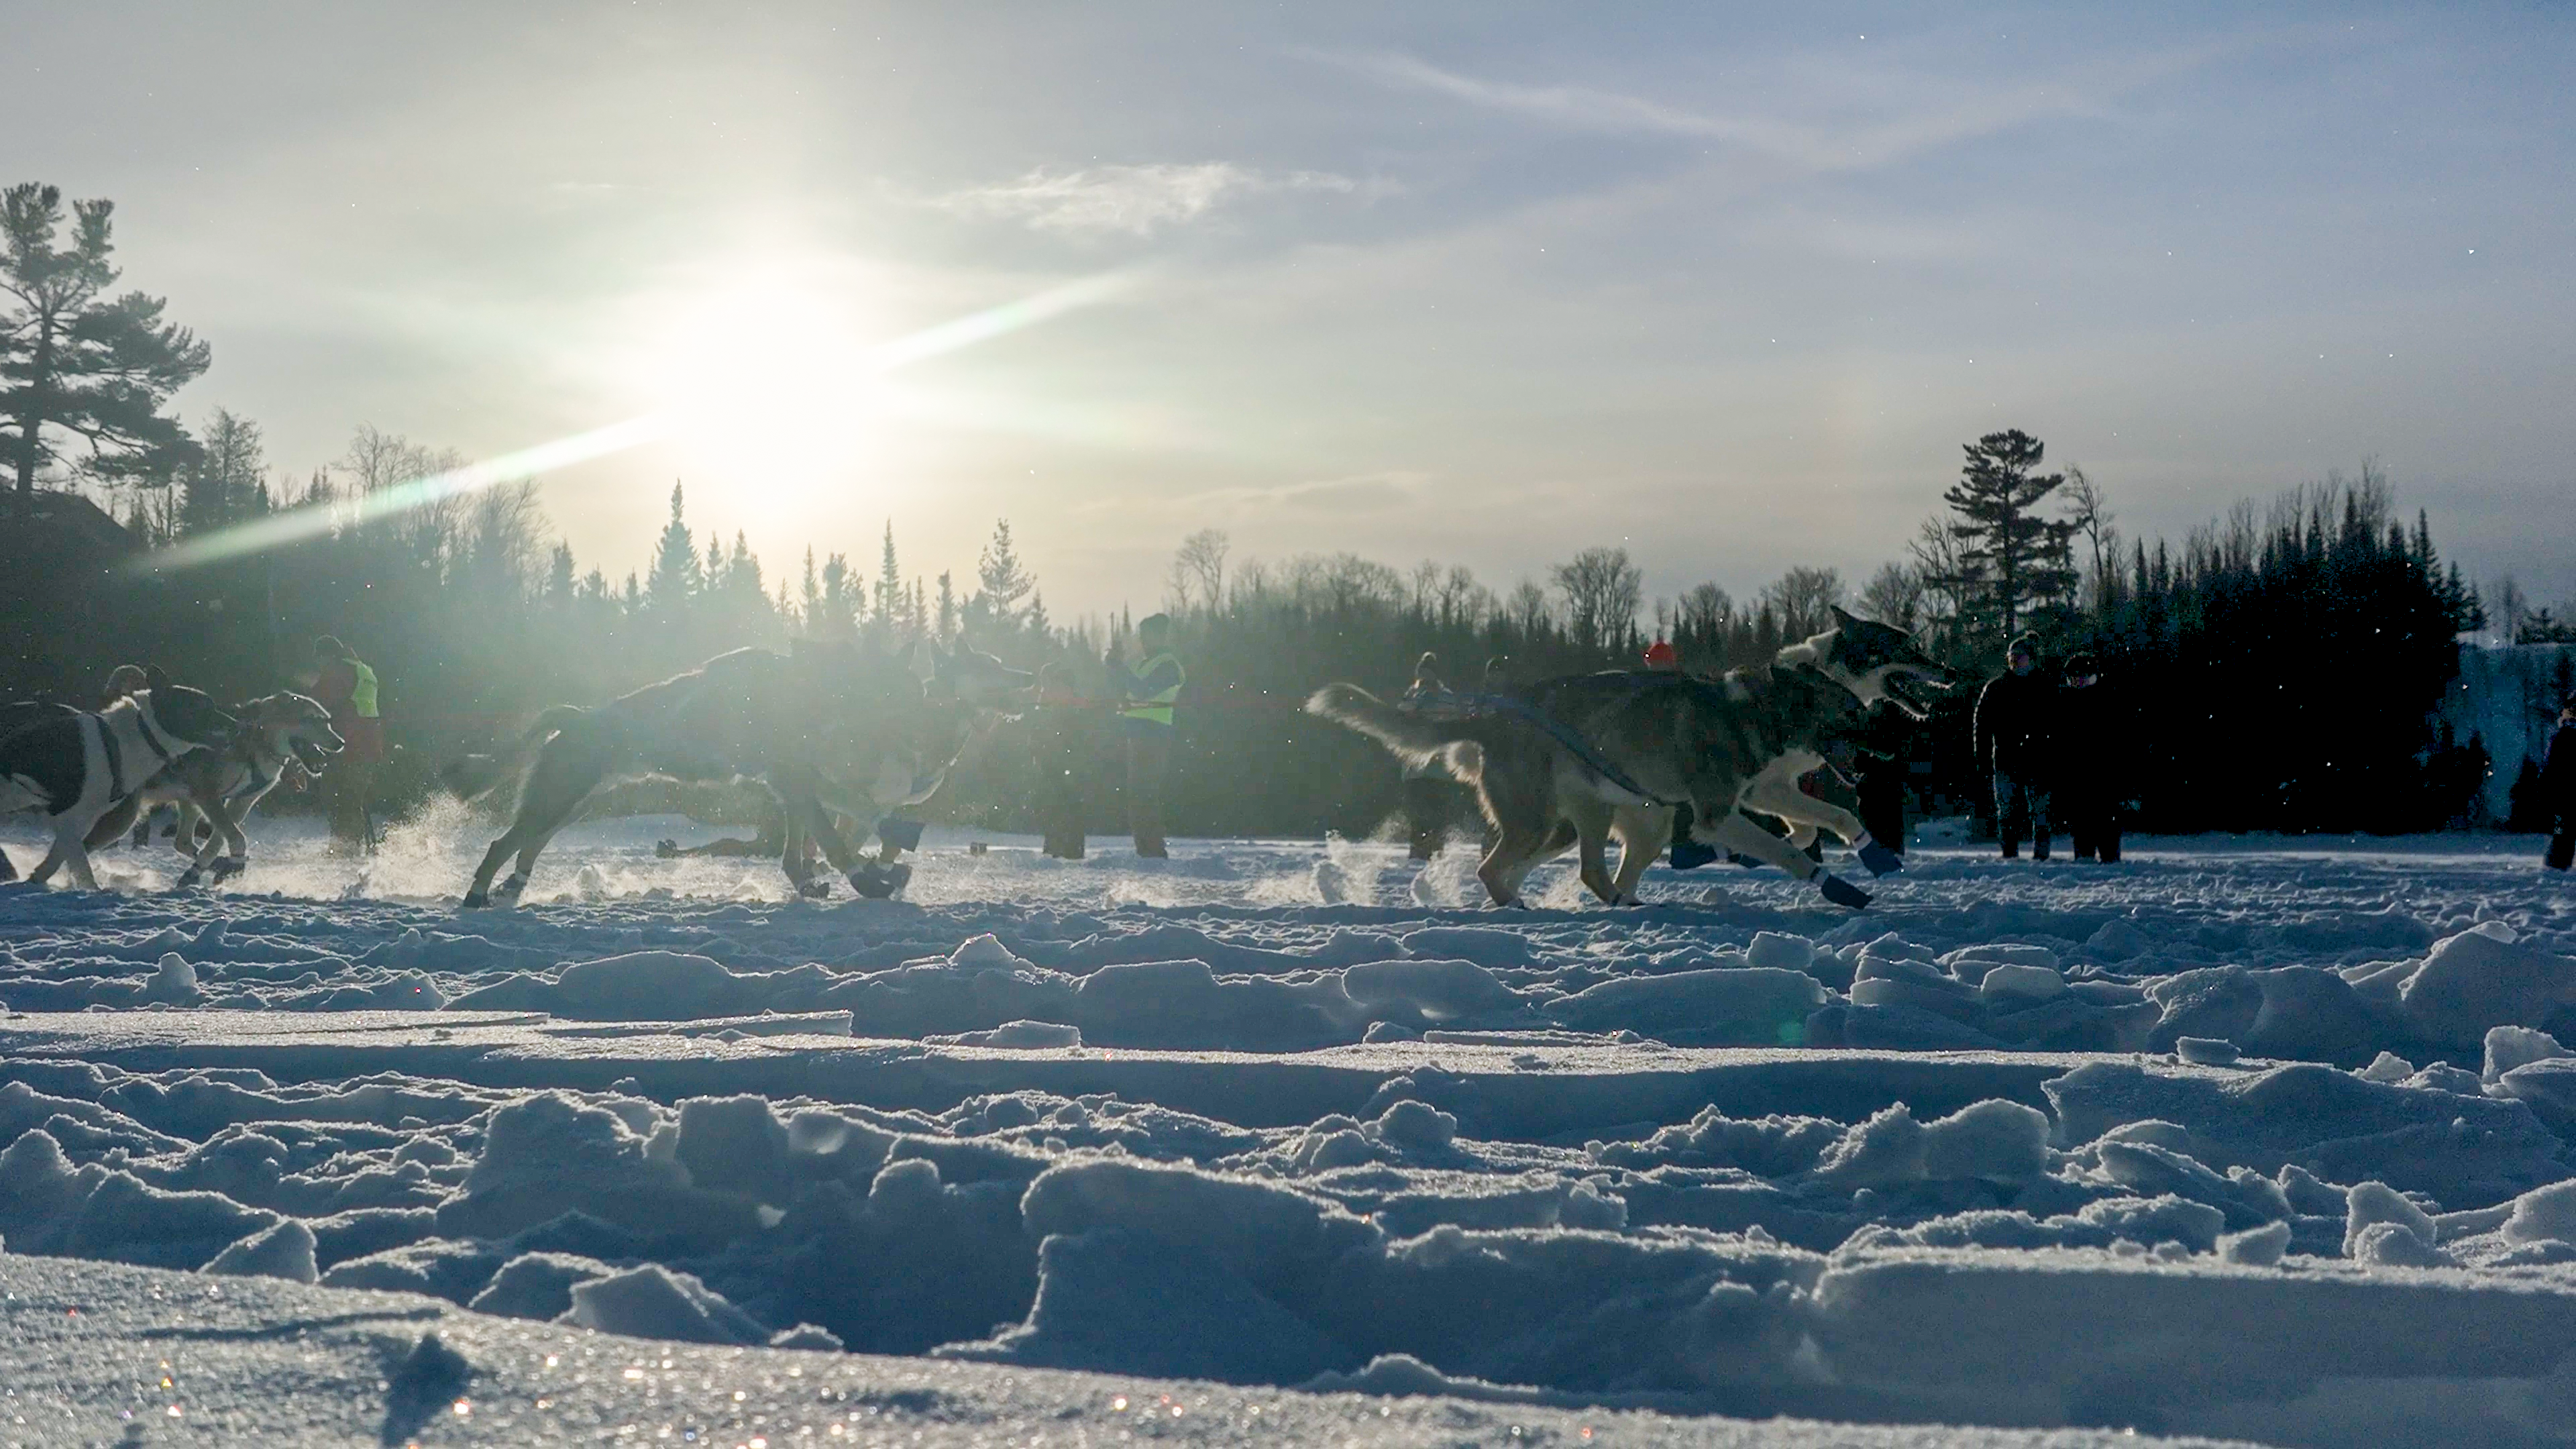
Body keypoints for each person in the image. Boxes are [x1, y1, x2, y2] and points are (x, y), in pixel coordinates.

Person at [1974, 633, 2055, 860]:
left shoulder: (2045, 686)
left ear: (2032, 659)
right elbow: (1981, 725)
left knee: (2041, 812)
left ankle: (2042, 855)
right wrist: (1981, 757)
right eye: (2013, 659)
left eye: (2021, 658)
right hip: (2006, 760)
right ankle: (2009, 854)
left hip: (2038, 760)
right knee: (2007, 812)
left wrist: (2055, 754)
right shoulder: (1997, 688)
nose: (2016, 663)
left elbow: (2058, 723)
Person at [1115, 614, 1184, 859]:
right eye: (1141, 635)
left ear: (1161, 635)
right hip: (1136, 733)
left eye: (1148, 635)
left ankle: (1154, 850)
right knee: (1137, 796)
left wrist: (1119, 669)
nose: (1143, 641)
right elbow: (1125, 688)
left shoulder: (1169, 664)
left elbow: (1145, 689)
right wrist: (1112, 669)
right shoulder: (1140, 663)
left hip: (1154, 735)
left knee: (1145, 794)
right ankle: (1144, 849)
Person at [311, 636, 385, 853]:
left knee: (338, 797)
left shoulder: (338, 671)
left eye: (319, 659)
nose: (319, 664)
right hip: (370, 743)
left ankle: (345, 851)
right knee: (353, 798)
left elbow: (318, 701)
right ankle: (352, 846)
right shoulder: (365, 670)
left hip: (348, 743)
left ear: (327, 656)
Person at [2053, 650, 2125, 863]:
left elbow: (2121, 741)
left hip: (2105, 775)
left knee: (2107, 831)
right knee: (2082, 830)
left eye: (2080, 676)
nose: (2076, 680)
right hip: (2077, 776)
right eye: (2073, 677)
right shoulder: (2063, 702)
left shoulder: (2108, 699)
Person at [1032, 659, 1102, 860]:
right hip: (1053, 764)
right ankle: (1054, 849)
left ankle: (1071, 852)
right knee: (1054, 807)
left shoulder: (1075, 706)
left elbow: (1082, 737)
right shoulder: (1049, 704)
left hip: (1071, 766)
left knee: (1069, 807)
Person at [1399, 652, 1455, 860]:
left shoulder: (1446, 696)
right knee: (1417, 815)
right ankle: (1417, 852)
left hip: (1439, 769)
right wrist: (1416, 707)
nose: (1426, 675)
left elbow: (1454, 717)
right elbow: (1401, 714)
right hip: (1414, 769)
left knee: (1438, 815)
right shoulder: (1411, 694)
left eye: (1429, 672)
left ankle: (1437, 851)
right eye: (1423, 671)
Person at [2545, 692, 2576, 873]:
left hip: (2563, 796)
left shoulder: (2561, 737)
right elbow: (2551, 770)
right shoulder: (2561, 737)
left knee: (2562, 835)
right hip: (2563, 796)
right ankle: (2556, 867)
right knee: (2562, 835)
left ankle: (2556, 867)